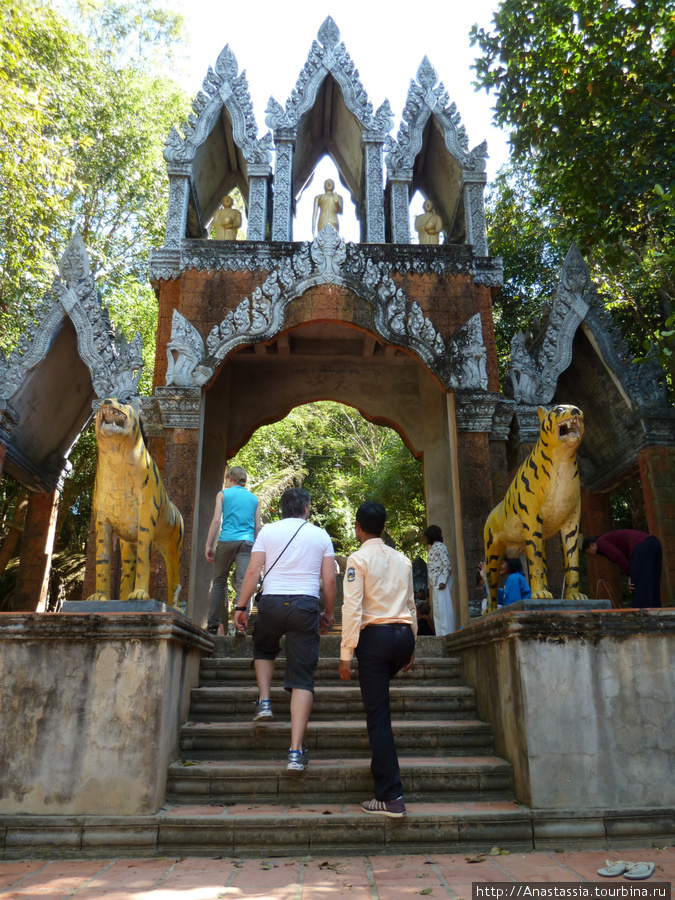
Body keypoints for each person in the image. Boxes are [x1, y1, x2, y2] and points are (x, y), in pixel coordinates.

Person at [235, 488, 336, 772]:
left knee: (264, 647)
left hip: (270, 602)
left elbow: (253, 572)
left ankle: (265, 701)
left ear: (282, 508)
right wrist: (328, 613)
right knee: (302, 677)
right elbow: (329, 580)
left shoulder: (267, 532)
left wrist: (240, 607)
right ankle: (294, 752)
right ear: (306, 508)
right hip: (305, 606)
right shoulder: (321, 535)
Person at [339, 502, 417, 818]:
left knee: (378, 716)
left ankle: (390, 795)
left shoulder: (357, 559)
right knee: (379, 710)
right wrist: (412, 646)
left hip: (376, 640)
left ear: (359, 527)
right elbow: (411, 605)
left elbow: (352, 608)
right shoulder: (403, 560)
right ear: (383, 528)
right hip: (402, 638)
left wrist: (346, 655)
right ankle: (385, 781)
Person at [205, 466, 261, 636]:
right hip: (246, 542)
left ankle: (213, 626)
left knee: (219, 581)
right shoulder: (253, 499)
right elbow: (258, 526)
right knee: (244, 583)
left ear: (229, 479)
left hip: (227, 540)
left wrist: (208, 545)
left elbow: (216, 521)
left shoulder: (223, 494)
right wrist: (258, 549)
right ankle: (242, 625)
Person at [583, 530, 662, 608]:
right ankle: (656, 608)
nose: (593, 555)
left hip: (641, 546)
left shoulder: (600, 542)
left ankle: (641, 612)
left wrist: (629, 575)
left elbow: (618, 556)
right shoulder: (607, 539)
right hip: (654, 543)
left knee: (637, 584)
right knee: (652, 580)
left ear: (592, 545)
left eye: (589, 552)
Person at [424, 525, 455, 636]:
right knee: (437, 611)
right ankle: (440, 635)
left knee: (444, 609)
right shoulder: (433, 548)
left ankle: (448, 634)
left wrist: (443, 580)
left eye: (426, 536)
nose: (425, 539)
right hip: (436, 582)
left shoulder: (440, 546)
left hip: (441, 580)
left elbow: (446, 564)